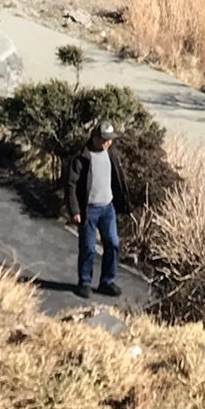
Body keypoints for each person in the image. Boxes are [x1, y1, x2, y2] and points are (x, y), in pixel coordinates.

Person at [64, 121, 125, 299]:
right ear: (96, 138)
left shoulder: (110, 152)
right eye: (105, 140)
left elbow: (117, 177)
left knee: (113, 243)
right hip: (88, 210)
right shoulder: (82, 156)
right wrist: (74, 209)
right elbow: (71, 184)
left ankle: (107, 281)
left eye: (111, 140)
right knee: (88, 248)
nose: (108, 143)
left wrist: (122, 201)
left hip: (108, 208)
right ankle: (84, 283)